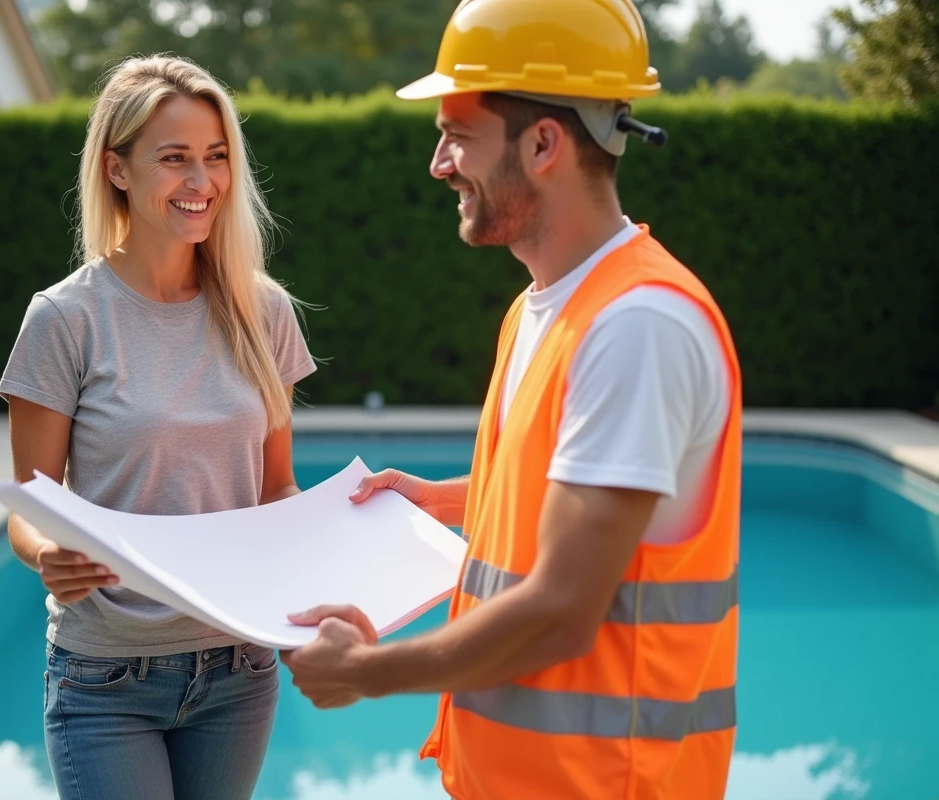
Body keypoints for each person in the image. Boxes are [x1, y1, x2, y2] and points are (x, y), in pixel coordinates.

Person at [281, 1, 743, 798]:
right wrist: (448, 501)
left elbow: (561, 609)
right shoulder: (549, 306)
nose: (439, 163)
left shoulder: (637, 325)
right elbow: (575, 496)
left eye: (456, 133)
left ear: (542, 143)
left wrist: (367, 672)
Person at [0, 54, 316, 800]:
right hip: (106, 677)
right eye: (174, 159)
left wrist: (333, 555)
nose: (201, 183)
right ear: (117, 169)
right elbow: (27, 505)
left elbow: (276, 489)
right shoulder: (65, 318)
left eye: (215, 158)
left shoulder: (263, 311)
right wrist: (48, 552)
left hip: (238, 669)